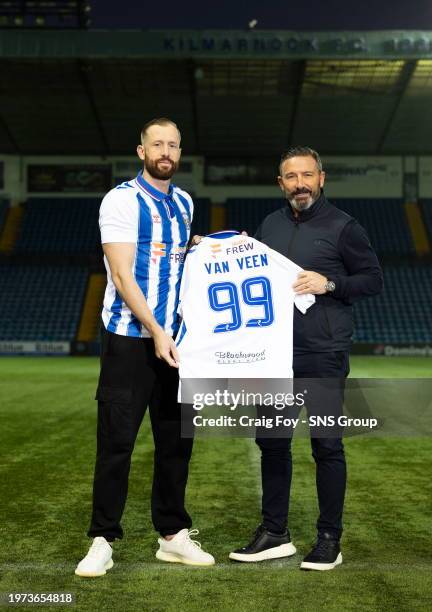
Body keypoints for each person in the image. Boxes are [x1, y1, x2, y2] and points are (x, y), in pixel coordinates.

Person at [229, 146, 383, 570]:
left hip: (323, 354)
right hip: (274, 355)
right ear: (281, 184)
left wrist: (329, 283)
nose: (300, 184)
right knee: (272, 445)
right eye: (291, 177)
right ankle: (275, 532)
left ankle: (330, 538)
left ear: (321, 178)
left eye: (307, 175)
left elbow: (372, 280)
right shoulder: (270, 225)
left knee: (327, 447)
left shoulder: (344, 227)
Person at [75, 118, 214, 577]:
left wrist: (208, 248)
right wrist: (156, 330)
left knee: (176, 442)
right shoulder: (121, 200)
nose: (166, 152)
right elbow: (121, 275)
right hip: (130, 342)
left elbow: (176, 256)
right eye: (158, 144)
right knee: (117, 444)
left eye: (173, 144)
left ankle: (172, 535)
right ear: (141, 151)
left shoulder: (184, 201)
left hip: (177, 343)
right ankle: (102, 539)